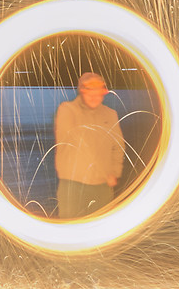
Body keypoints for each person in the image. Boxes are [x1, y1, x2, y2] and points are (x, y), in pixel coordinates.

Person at [53, 70, 126, 218]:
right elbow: (75, 139)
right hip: (73, 185)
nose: (94, 96)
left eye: (98, 91)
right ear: (81, 91)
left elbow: (118, 145)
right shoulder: (67, 110)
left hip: (103, 186)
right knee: (71, 229)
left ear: (103, 92)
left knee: (101, 231)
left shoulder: (110, 114)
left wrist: (114, 172)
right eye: (89, 91)